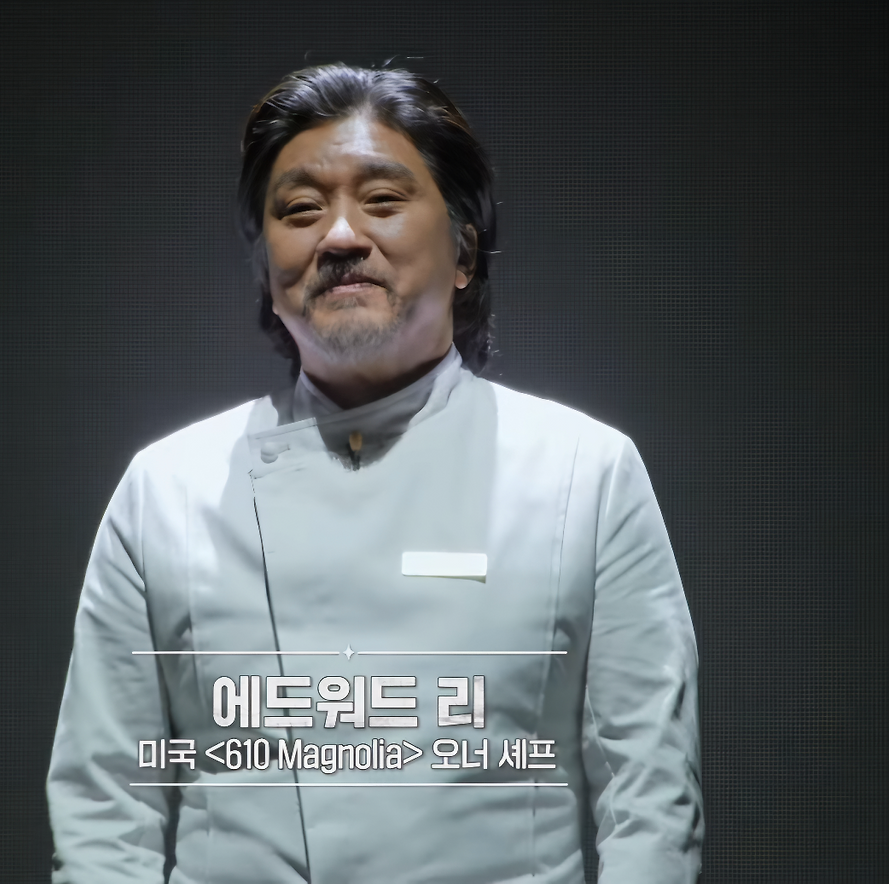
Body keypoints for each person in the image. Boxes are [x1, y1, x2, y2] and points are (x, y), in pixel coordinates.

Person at [47, 63, 703, 884]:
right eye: (300, 210)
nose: (339, 237)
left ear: (464, 249)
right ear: (266, 270)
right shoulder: (167, 489)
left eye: (383, 200)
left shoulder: (584, 473)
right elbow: (106, 802)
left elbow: (651, 802)